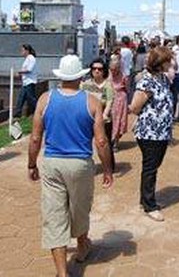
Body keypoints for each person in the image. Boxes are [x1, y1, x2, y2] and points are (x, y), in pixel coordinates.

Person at [28, 54, 113, 277]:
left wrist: (31, 163)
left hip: (53, 163)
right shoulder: (92, 101)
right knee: (79, 207)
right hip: (80, 164)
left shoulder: (45, 99)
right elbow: (101, 141)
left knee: (54, 214)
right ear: (79, 77)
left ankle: (62, 272)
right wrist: (107, 169)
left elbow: (35, 137)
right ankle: (82, 244)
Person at [129, 46, 174, 222]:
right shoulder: (147, 81)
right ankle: (149, 205)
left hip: (161, 132)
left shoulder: (162, 78)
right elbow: (134, 106)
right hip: (149, 133)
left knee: (154, 165)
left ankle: (145, 199)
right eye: (167, 60)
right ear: (159, 62)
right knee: (150, 167)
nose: (170, 63)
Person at [81, 58, 115, 171]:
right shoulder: (85, 85)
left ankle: (109, 166)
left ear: (104, 71)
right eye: (94, 68)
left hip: (103, 119)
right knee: (85, 142)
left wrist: (104, 114)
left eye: (99, 69)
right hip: (88, 119)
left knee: (104, 143)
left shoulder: (107, 85)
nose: (96, 71)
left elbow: (110, 101)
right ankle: (87, 165)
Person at [108, 58, 128, 152]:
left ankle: (115, 142)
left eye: (115, 69)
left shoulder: (123, 75)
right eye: (111, 69)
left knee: (119, 120)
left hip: (121, 99)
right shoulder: (107, 75)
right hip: (109, 98)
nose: (113, 71)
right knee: (110, 119)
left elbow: (126, 88)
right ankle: (110, 140)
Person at [14, 44, 38, 118]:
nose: (21, 52)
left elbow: (29, 70)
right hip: (25, 82)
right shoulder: (27, 59)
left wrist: (19, 72)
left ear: (27, 51)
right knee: (21, 98)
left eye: (22, 50)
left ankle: (38, 111)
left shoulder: (31, 58)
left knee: (31, 99)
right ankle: (17, 113)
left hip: (30, 82)